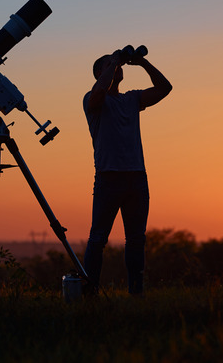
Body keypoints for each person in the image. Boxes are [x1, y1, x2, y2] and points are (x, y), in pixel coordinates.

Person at [82, 46, 172, 295]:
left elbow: (165, 88)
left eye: (118, 65)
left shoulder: (131, 99)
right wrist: (114, 60)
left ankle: (136, 292)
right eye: (111, 65)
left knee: (136, 239)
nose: (118, 67)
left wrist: (142, 63)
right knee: (98, 238)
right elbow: (98, 93)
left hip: (136, 177)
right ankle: (90, 292)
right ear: (101, 72)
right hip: (108, 177)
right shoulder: (92, 99)